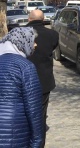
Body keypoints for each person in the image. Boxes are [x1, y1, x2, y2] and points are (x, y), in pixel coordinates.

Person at [0, 27, 43, 147]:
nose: (35, 45)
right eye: (32, 40)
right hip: (15, 133)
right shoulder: (25, 67)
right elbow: (33, 108)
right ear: (23, 42)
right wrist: (37, 141)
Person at [27, 9, 59, 148]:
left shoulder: (19, 33)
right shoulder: (52, 34)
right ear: (44, 19)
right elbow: (52, 47)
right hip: (43, 81)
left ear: (29, 19)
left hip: (24, 81)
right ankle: (39, 144)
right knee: (40, 114)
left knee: (23, 113)